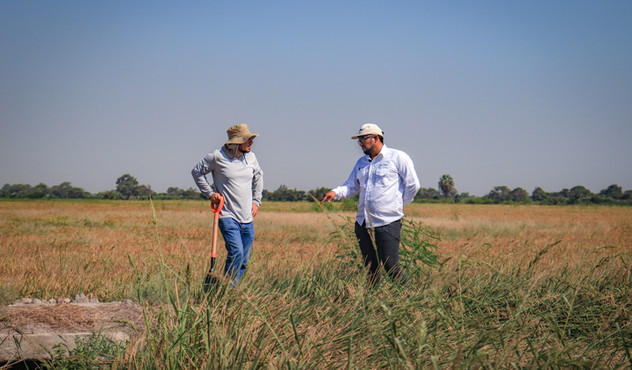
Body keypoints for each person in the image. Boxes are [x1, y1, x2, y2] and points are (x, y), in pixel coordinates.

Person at [321, 123, 420, 286]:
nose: (360, 144)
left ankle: (410, 297)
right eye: (358, 141)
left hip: (387, 222)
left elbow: (413, 185)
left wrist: (398, 205)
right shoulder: (361, 162)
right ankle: (371, 301)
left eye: (362, 140)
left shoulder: (397, 157)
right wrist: (335, 192)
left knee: (390, 266)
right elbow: (351, 186)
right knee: (370, 267)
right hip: (363, 222)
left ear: (375, 138)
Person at [192, 123, 263, 285]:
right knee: (236, 252)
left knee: (244, 259)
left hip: (247, 218)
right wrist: (210, 194)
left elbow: (259, 178)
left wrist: (256, 202)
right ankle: (226, 290)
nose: (251, 143)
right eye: (248, 140)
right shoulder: (217, 157)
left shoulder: (251, 158)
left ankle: (230, 290)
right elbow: (197, 172)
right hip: (227, 215)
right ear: (237, 142)